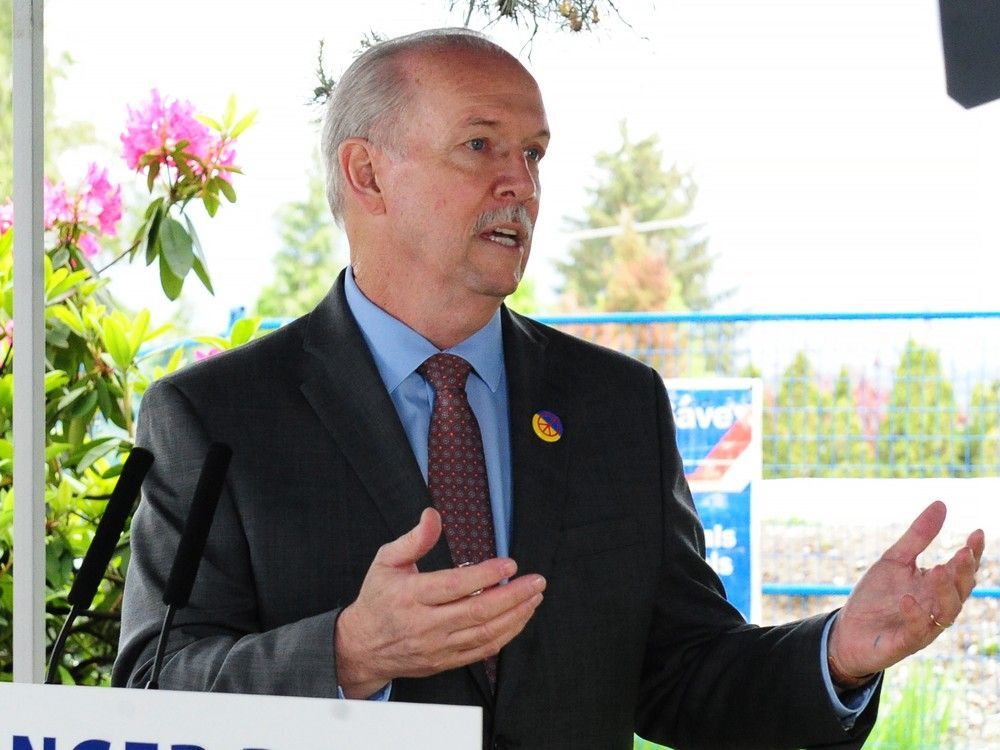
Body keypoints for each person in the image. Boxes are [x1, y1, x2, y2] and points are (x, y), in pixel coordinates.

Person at [113, 28, 985, 750]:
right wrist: (348, 653)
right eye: (480, 145)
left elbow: (681, 671)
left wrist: (838, 655)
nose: (520, 185)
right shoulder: (216, 417)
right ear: (367, 174)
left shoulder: (618, 404)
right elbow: (156, 688)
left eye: (533, 154)